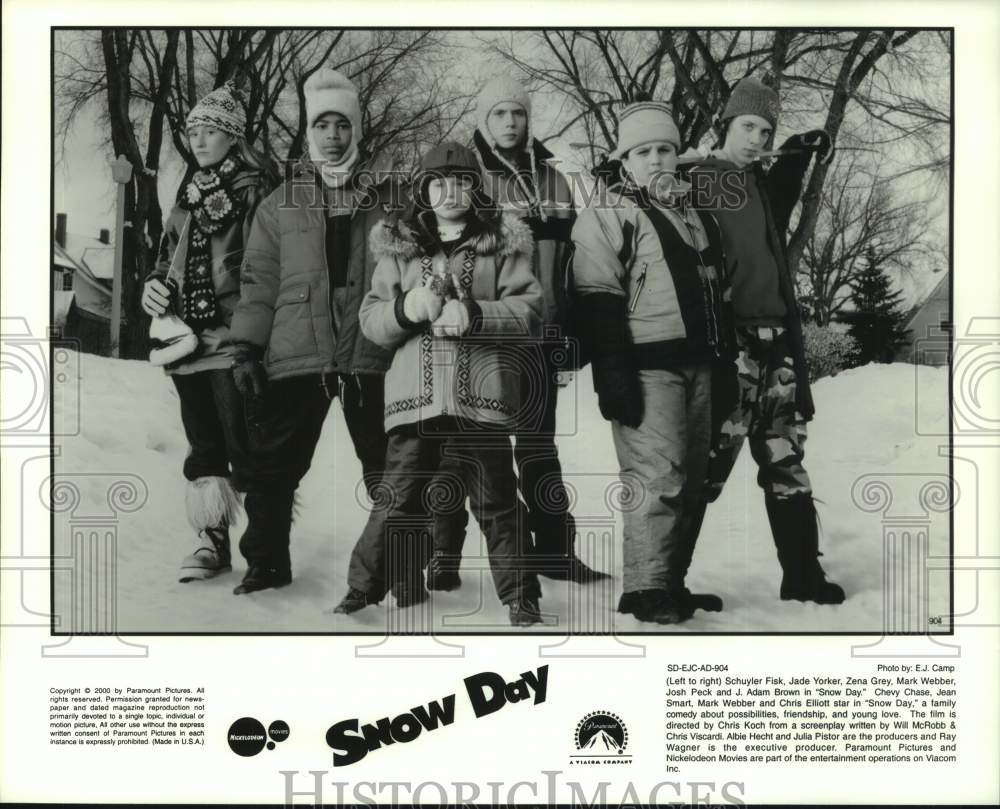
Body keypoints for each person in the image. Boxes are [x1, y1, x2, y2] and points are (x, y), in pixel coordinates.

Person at [332, 141, 546, 627]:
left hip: (482, 400)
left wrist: (475, 314)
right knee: (397, 497)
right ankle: (359, 592)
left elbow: (530, 313)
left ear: (477, 189)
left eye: (462, 182)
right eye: (438, 182)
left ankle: (521, 598)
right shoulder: (400, 248)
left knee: (497, 501)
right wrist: (406, 309)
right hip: (415, 400)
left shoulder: (502, 245)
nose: (451, 192)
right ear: (423, 191)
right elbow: (369, 320)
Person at [427, 75, 606, 591]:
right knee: (461, 448)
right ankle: (444, 555)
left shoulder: (554, 180)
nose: (510, 122)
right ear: (485, 120)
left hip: (541, 333)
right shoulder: (467, 176)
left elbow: (574, 263)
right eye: (499, 114)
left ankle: (552, 551)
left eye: (518, 114)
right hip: (478, 337)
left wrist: (570, 329)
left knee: (538, 446)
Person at [225, 68, 399, 594]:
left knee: (388, 468)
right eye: (322, 125)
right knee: (273, 467)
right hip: (297, 352)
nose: (332, 135)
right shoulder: (281, 203)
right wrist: (247, 350)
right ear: (309, 133)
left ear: (357, 130)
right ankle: (266, 563)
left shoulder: (392, 197)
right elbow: (258, 283)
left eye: (342, 125)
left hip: (372, 351)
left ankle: (395, 568)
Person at [684, 76, 845, 604]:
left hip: (776, 343)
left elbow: (781, 196)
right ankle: (664, 581)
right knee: (708, 463)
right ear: (723, 126)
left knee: (785, 460)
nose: (756, 137)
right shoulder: (697, 177)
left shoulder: (757, 183)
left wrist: (797, 153)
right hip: (728, 346)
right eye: (747, 126)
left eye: (765, 130)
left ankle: (802, 575)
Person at [571, 102, 730, 624]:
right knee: (656, 476)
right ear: (625, 161)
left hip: (701, 363)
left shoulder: (694, 215)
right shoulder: (607, 212)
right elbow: (596, 296)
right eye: (644, 152)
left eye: (665, 149)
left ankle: (670, 583)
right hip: (644, 366)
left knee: (693, 478)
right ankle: (644, 588)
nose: (657, 159)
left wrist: (723, 362)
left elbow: (717, 292)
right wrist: (611, 373)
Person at [141, 82, 277, 584]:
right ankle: (211, 541)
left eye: (209, 131)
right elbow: (165, 260)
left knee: (246, 448)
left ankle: (264, 552)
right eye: (193, 131)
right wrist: (154, 288)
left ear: (233, 137)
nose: (197, 140)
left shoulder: (257, 189)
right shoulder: (189, 193)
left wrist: (252, 335)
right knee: (203, 448)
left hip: (233, 343)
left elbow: (267, 265)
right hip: (186, 345)